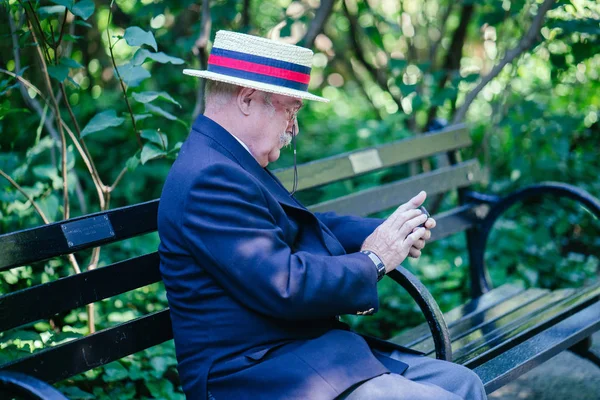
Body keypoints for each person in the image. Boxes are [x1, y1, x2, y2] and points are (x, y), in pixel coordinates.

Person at [158, 30, 486, 400]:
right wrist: (375, 260)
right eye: (291, 109)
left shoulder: (227, 159)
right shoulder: (210, 176)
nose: (293, 128)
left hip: (299, 353)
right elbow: (285, 285)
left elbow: (304, 224)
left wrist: (388, 230)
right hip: (251, 374)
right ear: (248, 99)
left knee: (463, 383)